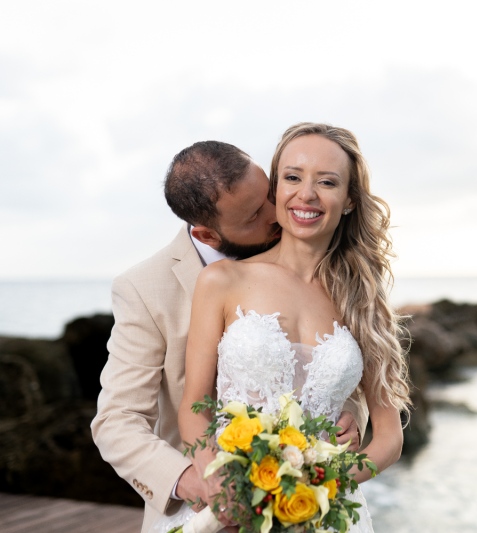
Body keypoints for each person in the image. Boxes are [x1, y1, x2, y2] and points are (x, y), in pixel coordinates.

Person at [91, 141, 367, 533]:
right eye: (255, 214)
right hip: (206, 509)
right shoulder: (144, 288)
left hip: (304, 502)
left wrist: (350, 416)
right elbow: (117, 420)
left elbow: (337, 363)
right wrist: (199, 480)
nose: (278, 212)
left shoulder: (319, 261)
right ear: (208, 234)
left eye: (270, 192)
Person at [178, 123, 411, 532]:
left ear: (350, 199)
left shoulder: (362, 301)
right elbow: (194, 406)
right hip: (237, 507)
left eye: (327, 181)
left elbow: (389, 437)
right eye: (292, 177)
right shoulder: (221, 281)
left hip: (324, 511)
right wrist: (222, 482)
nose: (307, 194)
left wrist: (317, 484)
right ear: (275, 190)